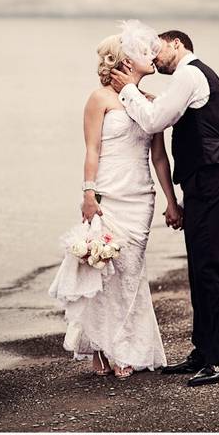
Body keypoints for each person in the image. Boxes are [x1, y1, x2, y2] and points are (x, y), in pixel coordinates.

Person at [48, 20, 181, 378]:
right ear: (124, 61)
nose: (150, 56)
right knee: (105, 274)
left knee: (132, 274)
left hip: (141, 198)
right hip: (109, 195)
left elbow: (159, 158)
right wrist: (88, 192)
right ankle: (106, 349)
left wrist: (171, 201)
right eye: (140, 52)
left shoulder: (150, 104)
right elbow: (91, 149)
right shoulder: (99, 99)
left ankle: (126, 347)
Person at [109, 29, 219, 387]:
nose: (153, 54)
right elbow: (166, 113)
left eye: (158, 47)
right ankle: (202, 352)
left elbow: (153, 121)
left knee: (210, 270)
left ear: (177, 45)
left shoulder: (189, 73)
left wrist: (127, 90)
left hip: (214, 180)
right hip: (203, 183)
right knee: (199, 271)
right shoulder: (189, 79)